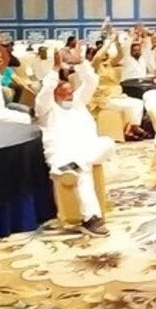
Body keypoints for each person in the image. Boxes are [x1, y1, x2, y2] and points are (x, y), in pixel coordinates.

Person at [36, 51, 115, 237]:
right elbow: (44, 93)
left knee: (108, 143)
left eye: (70, 92)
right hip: (64, 155)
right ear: (55, 95)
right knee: (83, 174)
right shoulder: (46, 110)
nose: (68, 96)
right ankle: (91, 219)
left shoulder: (78, 102)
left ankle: (77, 165)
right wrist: (55, 69)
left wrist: (81, 62)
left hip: (87, 150)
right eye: (63, 93)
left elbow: (91, 82)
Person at [88, 34, 148, 141]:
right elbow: (97, 57)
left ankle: (132, 127)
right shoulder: (93, 67)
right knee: (131, 106)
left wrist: (116, 43)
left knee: (138, 103)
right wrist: (108, 42)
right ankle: (131, 129)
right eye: (104, 54)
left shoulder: (109, 64)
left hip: (117, 95)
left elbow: (120, 55)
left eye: (106, 54)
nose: (105, 55)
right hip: (104, 98)